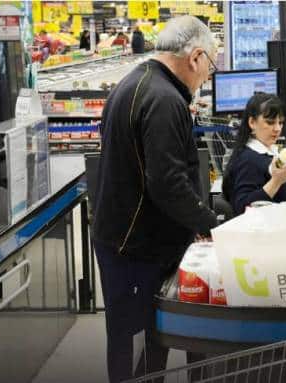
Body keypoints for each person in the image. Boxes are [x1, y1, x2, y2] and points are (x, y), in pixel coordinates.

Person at [92, 16, 219, 382]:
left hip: (124, 239)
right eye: (209, 66)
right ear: (195, 57)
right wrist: (211, 224)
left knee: (138, 343)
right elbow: (167, 183)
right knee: (137, 351)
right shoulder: (164, 99)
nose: (206, 77)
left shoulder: (135, 82)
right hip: (135, 249)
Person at [223, 93, 286, 215]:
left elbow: (278, 196)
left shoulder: (269, 152)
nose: (277, 129)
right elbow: (242, 207)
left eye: (280, 122)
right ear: (252, 122)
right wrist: (276, 181)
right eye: (270, 122)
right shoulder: (249, 160)